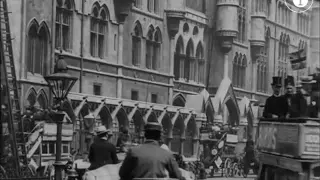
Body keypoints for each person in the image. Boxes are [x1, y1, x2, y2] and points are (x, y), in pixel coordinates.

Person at [119, 122, 184, 180]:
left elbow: (122, 173)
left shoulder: (133, 151)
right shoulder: (166, 154)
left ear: (145, 135)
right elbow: (177, 176)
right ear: (160, 136)